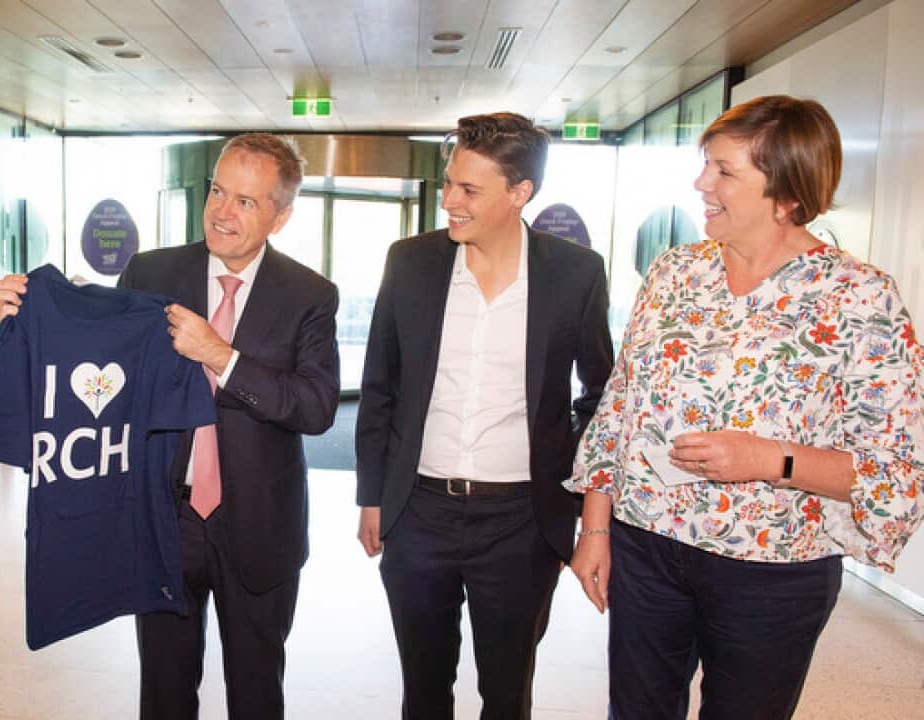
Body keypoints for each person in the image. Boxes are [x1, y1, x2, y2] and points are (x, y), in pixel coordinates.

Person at [566, 94, 924, 719]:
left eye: (724, 171)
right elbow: (618, 408)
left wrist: (768, 458)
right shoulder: (676, 272)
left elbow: (894, 470)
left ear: (787, 192)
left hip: (772, 571)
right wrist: (595, 528)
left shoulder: (861, 298)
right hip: (648, 545)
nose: (701, 182)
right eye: (707, 164)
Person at [0, 133, 340, 719]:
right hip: (162, 521)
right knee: (164, 693)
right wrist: (24, 319)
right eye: (218, 192)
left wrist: (220, 356)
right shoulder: (151, 272)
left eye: (246, 202)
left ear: (281, 216)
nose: (222, 212)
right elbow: (97, 363)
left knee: (257, 694)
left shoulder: (310, 295)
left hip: (258, 528)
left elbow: (316, 406)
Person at [355, 112, 614, 719]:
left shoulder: (575, 273)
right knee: (422, 689)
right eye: (450, 184)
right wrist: (374, 495)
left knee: (506, 692)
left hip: (522, 521)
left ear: (519, 193)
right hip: (418, 511)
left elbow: (601, 392)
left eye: (468, 190)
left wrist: (567, 481)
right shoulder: (411, 262)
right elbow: (380, 386)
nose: (449, 201)